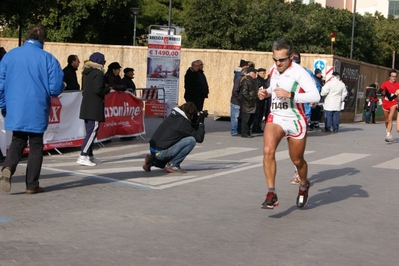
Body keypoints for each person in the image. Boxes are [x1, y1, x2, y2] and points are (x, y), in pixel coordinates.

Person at [0, 25, 64, 194]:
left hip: (15, 106)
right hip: (37, 106)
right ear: (43, 40)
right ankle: (32, 184)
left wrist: (3, 105)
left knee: (18, 140)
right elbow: (55, 89)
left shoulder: (9, 56)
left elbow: (0, 84)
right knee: (36, 145)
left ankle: (8, 166)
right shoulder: (48, 58)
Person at [257, 38, 320, 209]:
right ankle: (271, 193)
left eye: (282, 60)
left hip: (295, 120)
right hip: (276, 117)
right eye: (275, 59)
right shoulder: (273, 70)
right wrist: (265, 93)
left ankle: (304, 185)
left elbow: (315, 96)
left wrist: (291, 95)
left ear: (291, 57)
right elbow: (273, 88)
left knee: (297, 160)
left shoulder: (299, 72)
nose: (278, 64)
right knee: (268, 150)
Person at [142, 102, 206, 173]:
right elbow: (199, 138)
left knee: (180, 139)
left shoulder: (174, 116)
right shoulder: (182, 123)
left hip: (154, 149)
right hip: (161, 153)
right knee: (191, 140)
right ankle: (173, 164)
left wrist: (196, 119)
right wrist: (201, 122)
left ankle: (152, 160)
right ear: (190, 114)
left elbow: (190, 129)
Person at [77, 52, 110, 166]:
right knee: (92, 131)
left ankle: (90, 155)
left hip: (86, 105)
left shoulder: (86, 73)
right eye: (104, 62)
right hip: (94, 107)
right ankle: (83, 155)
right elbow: (98, 90)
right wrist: (107, 89)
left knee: (90, 131)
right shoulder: (98, 74)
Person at [378, 70, 399, 142]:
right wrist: (384, 94)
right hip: (386, 103)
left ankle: (388, 134)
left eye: (395, 76)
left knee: (390, 118)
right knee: (386, 120)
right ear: (389, 76)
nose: (394, 78)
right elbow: (379, 92)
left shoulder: (398, 84)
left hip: (393, 103)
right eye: (393, 76)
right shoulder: (385, 84)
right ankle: (388, 131)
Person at [230, 60, 249, 136]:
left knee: (238, 117)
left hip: (239, 101)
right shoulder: (239, 78)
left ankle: (238, 130)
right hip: (236, 101)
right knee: (235, 117)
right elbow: (235, 91)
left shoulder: (241, 77)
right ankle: (234, 131)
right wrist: (240, 98)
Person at [239, 67, 258, 138]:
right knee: (246, 119)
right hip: (247, 103)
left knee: (251, 118)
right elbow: (244, 93)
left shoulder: (253, 81)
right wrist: (250, 99)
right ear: (250, 73)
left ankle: (247, 132)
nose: (255, 74)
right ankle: (244, 133)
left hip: (253, 102)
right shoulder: (246, 81)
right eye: (254, 73)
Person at [251, 67, 268, 134]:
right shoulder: (257, 80)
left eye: (265, 73)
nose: (264, 74)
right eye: (263, 73)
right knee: (257, 114)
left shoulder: (263, 80)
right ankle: (254, 127)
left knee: (261, 114)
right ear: (259, 73)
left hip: (263, 99)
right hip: (258, 99)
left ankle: (258, 127)